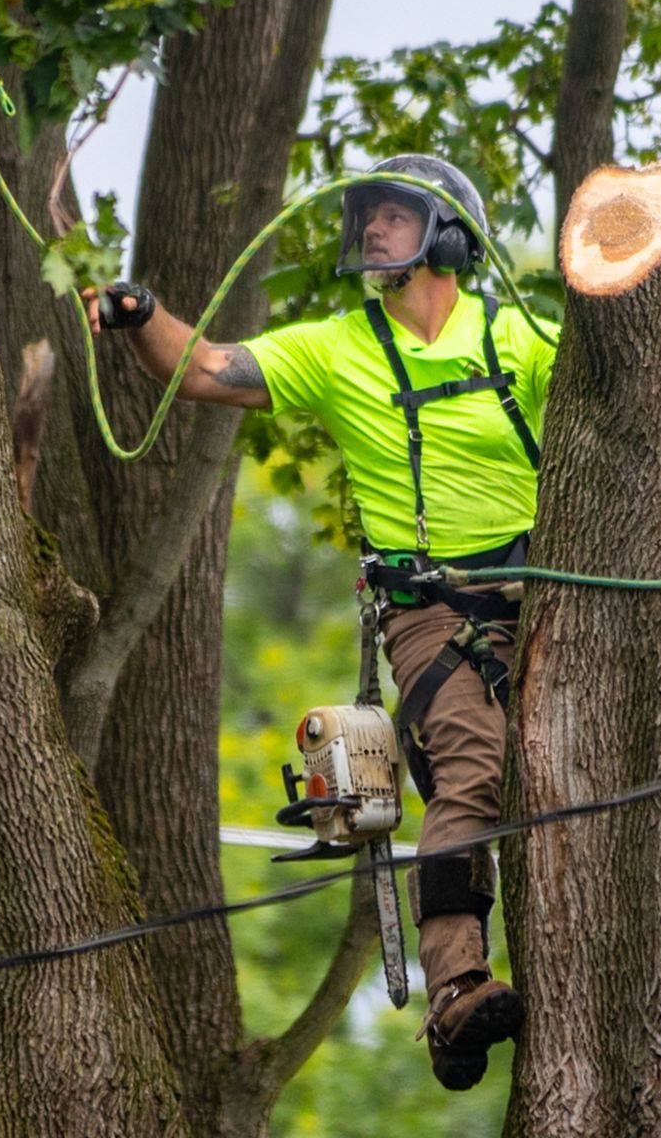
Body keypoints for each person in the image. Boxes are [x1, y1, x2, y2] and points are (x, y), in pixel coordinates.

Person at [85, 154, 558, 1090]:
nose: (373, 229)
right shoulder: (340, 346)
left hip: (543, 590)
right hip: (428, 611)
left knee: (609, 736)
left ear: (448, 236)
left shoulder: (521, 336)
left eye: (394, 215)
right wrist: (142, 318)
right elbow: (208, 366)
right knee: (473, 761)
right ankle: (458, 984)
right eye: (369, 215)